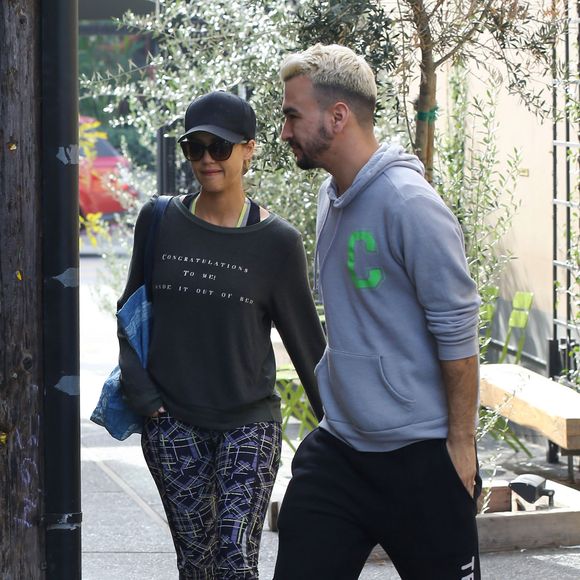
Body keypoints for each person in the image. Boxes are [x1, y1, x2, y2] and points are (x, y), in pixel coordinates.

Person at [274, 44, 482, 580]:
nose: (284, 131)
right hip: (342, 450)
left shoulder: (409, 204)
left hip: (420, 456)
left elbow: (458, 333)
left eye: (292, 115)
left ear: (337, 116)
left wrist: (461, 446)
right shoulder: (330, 195)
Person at [117, 90, 326, 579]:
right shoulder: (159, 220)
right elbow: (130, 314)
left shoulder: (278, 243)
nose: (207, 159)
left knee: (234, 561)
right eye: (196, 147)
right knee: (197, 565)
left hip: (248, 423)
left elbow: (308, 346)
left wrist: (347, 432)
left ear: (250, 149)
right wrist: (145, 399)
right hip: (173, 423)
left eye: (221, 147)